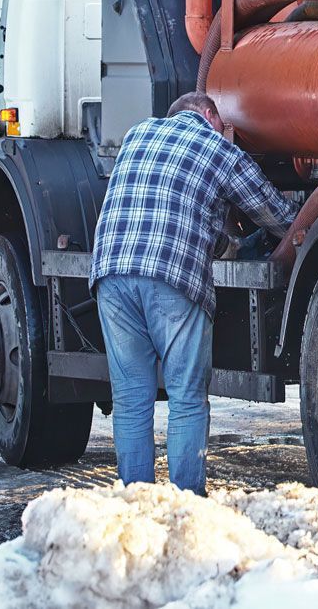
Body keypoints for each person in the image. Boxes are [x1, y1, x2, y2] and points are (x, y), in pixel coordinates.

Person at [90, 91, 298, 494]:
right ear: (208, 115)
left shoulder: (137, 135)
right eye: (223, 125)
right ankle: (188, 502)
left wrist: (229, 242)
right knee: (186, 397)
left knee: (132, 399)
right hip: (171, 276)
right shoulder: (215, 147)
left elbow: (178, 209)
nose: (226, 133)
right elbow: (275, 214)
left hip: (111, 273)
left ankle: (137, 501)